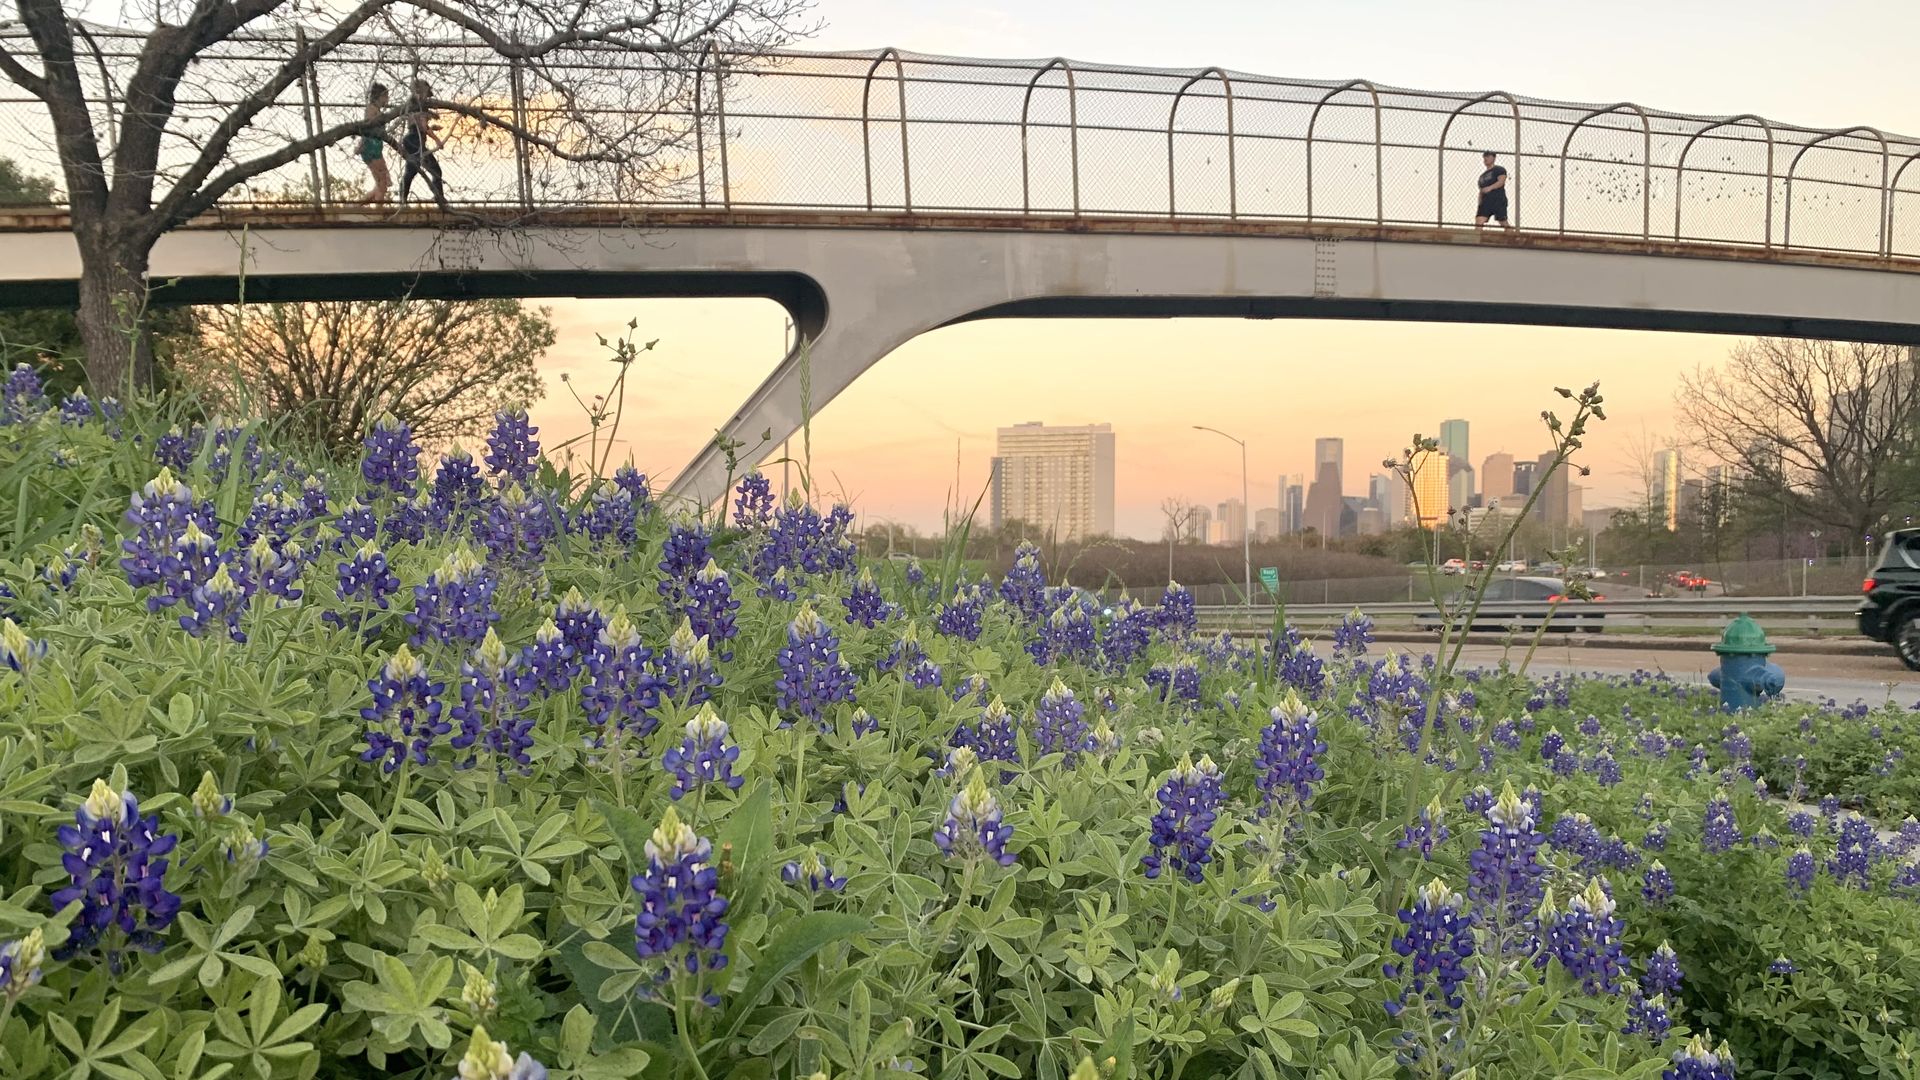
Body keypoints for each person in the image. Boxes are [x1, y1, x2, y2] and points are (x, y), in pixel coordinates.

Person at [398, 78, 448, 209]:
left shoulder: (412, 104)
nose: (428, 97)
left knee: (411, 171)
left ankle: (403, 199)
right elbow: (423, 126)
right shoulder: (419, 104)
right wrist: (437, 139)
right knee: (434, 170)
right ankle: (439, 198)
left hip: (411, 139)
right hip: (415, 139)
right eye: (427, 93)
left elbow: (421, 123)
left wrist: (431, 117)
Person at [356, 83, 391, 204]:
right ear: (380, 96)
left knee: (382, 183)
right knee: (383, 184)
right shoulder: (371, 109)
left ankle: (355, 207)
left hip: (376, 149)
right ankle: (379, 215)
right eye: (386, 96)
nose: (388, 99)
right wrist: (361, 144)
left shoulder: (376, 110)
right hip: (371, 149)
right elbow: (367, 128)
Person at [1475, 150, 1512, 230]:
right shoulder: (1482, 176)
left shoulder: (1499, 169)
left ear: (1494, 158)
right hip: (1486, 201)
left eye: (1488, 156)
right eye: (1484, 157)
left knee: (1502, 221)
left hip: (1498, 199)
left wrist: (1490, 188)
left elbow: (1501, 181)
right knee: (1479, 220)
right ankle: (1477, 240)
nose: (1486, 158)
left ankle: (1513, 236)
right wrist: (1480, 202)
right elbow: (1481, 190)